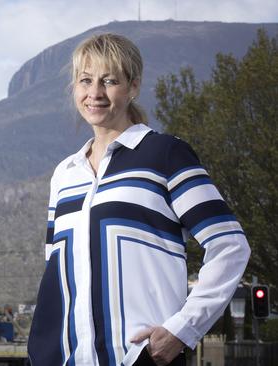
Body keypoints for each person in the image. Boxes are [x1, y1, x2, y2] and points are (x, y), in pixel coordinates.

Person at [27, 33, 250, 366]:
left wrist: (182, 329)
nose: (95, 93)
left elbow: (230, 245)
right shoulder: (65, 174)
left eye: (109, 81)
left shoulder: (165, 154)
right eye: (85, 80)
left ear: (133, 87)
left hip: (141, 358)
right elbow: (56, 269)